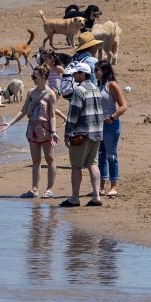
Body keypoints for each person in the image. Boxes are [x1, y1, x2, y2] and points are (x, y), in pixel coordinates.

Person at [0, 65, 62, 198]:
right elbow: (23, 111)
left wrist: (54, 132)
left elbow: (52, 115)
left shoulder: (51, 94)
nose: (33, 78)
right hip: (32, 129)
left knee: (50, 159)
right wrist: (9, 123)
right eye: (32, 76)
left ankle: (49, 189)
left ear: (43, 77)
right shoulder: (31, 92)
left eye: (35, 76)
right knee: (36, 160)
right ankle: (34, 189)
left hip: (45, 129)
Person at [60, 62, 104, 208]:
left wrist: (67, 134)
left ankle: (74, 198)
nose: (73, 75)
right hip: (97, 132)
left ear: (83, 74)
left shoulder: (79, 90)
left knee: (76, 166)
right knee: (93, 164)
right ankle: (96, 196)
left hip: (82, 133)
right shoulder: (96, 88)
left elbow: (73, 115)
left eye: (76, 73)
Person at [95, 62, 127, 198]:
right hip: (99, 125)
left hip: (110, 126)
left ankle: (113, 186)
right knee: (101, 155)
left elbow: (123, 106)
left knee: (111, 155)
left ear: (104, 70)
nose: (95, 72)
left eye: (97, 70)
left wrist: (112, 118)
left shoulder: (112, 85)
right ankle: (100, 186)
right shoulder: (98, 85)